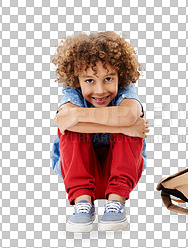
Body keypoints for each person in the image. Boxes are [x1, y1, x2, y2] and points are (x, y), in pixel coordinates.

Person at [50, 31, 149, 232]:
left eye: (108, 78)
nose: (100, 90)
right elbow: (64, 122)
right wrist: (127, 127)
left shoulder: (126, 92)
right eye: (89, 81)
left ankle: (116, 203)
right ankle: (82, 203)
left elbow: (129, 115)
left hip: (121, 176)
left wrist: (77, 118)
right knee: (70, 131)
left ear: (120, 76)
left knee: (128, 121)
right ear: (76, 80)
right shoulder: (72, 94)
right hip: (78, 177)